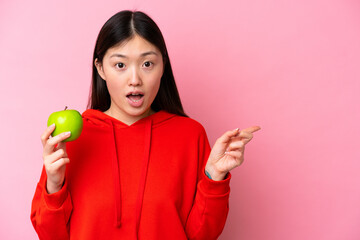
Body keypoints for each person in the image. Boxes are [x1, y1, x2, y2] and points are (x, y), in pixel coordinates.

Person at [30, 10, 260, 240]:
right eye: (120, 65)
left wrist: (215, 176)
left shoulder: (190, 135)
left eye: (147, 63)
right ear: (100, 69)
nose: (135, 79)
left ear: (163, 66)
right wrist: (54, 183)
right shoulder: (72, 138)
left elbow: (201, 235)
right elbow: (51, 236)